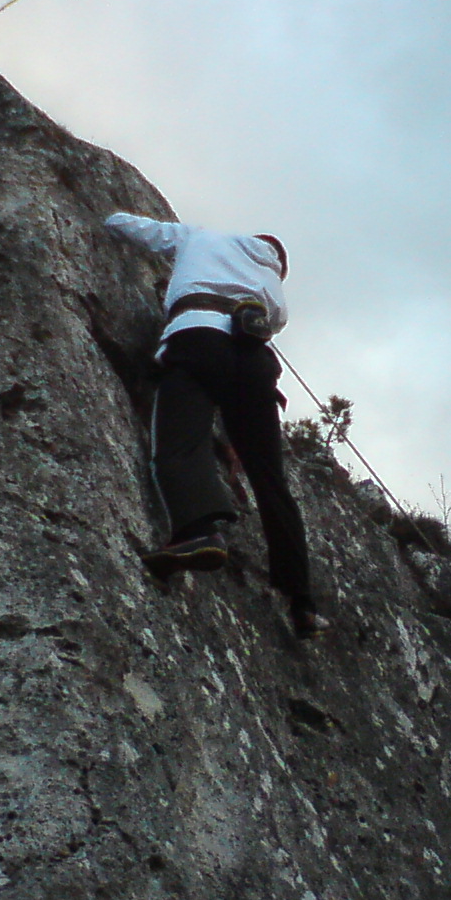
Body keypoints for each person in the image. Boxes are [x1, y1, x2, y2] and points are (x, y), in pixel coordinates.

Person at [104, 211, 322, 639]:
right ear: (278, 261)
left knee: (181, 440)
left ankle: (198, 530)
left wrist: (110, 219)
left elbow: (135, 228)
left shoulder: (201, 238)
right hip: (255, 362)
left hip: (197, 338)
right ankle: (301, 601)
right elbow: (273, 324)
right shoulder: (272, 282)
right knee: (270, 479)